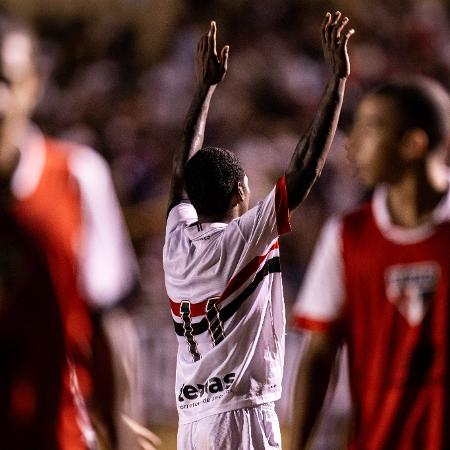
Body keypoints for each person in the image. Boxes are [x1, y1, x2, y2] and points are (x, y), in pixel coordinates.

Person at [163, 12, 354, 449]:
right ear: (242, 190)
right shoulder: (244, 238)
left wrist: (204, 88)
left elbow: (179, 174)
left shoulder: (176, 242)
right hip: (241, 417)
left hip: (190, 425)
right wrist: (337, 82)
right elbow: (304, 168)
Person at [0, 12, 148, 450]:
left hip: (57, 437)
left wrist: (121, 435)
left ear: (34, 84)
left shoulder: (76, 177)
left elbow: (111, 329)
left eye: (5, 81)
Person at [290, 76, 450, 450]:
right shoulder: (346, 236)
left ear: (413, 144)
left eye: (369, 128)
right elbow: (319, 355)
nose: (350, 144)